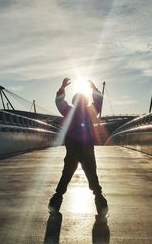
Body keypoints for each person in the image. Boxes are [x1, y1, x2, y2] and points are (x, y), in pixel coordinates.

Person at [48, 77, 108, 215]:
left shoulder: (69, 111)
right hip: (87, 149)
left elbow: (59, 102)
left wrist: (62, 88)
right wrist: (94, 89)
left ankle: (55, 202)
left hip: (72, 149)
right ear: (86, 102)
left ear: (73, 102)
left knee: (67, 174)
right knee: (92, 174)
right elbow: (98, 102)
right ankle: (100, 203)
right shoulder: (90, 111)